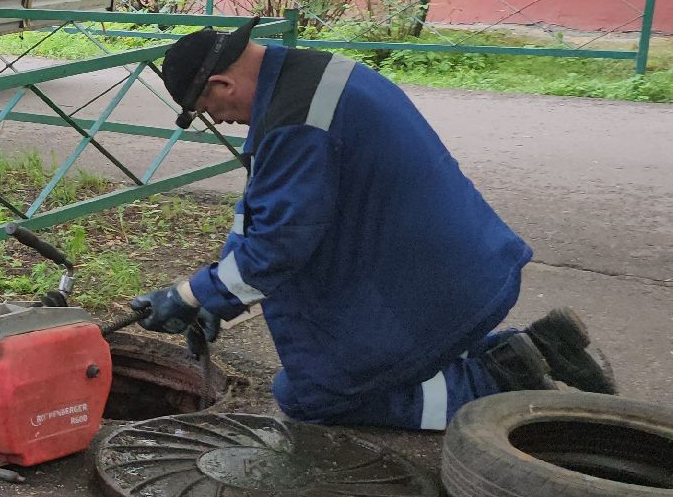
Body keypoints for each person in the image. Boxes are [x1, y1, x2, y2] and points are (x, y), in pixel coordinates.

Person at [129, 24, 616, 431]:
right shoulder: (311, 77)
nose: (222, 121)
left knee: (311, 395)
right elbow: (264, 207)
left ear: (222, 85)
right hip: (464, 264)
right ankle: (541, 347)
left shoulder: (296, 124)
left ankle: (497, 383)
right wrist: (212, 294)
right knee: (359, 362)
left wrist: (188, 295)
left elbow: (278, 247)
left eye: (209, 112)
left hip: (426, 288)